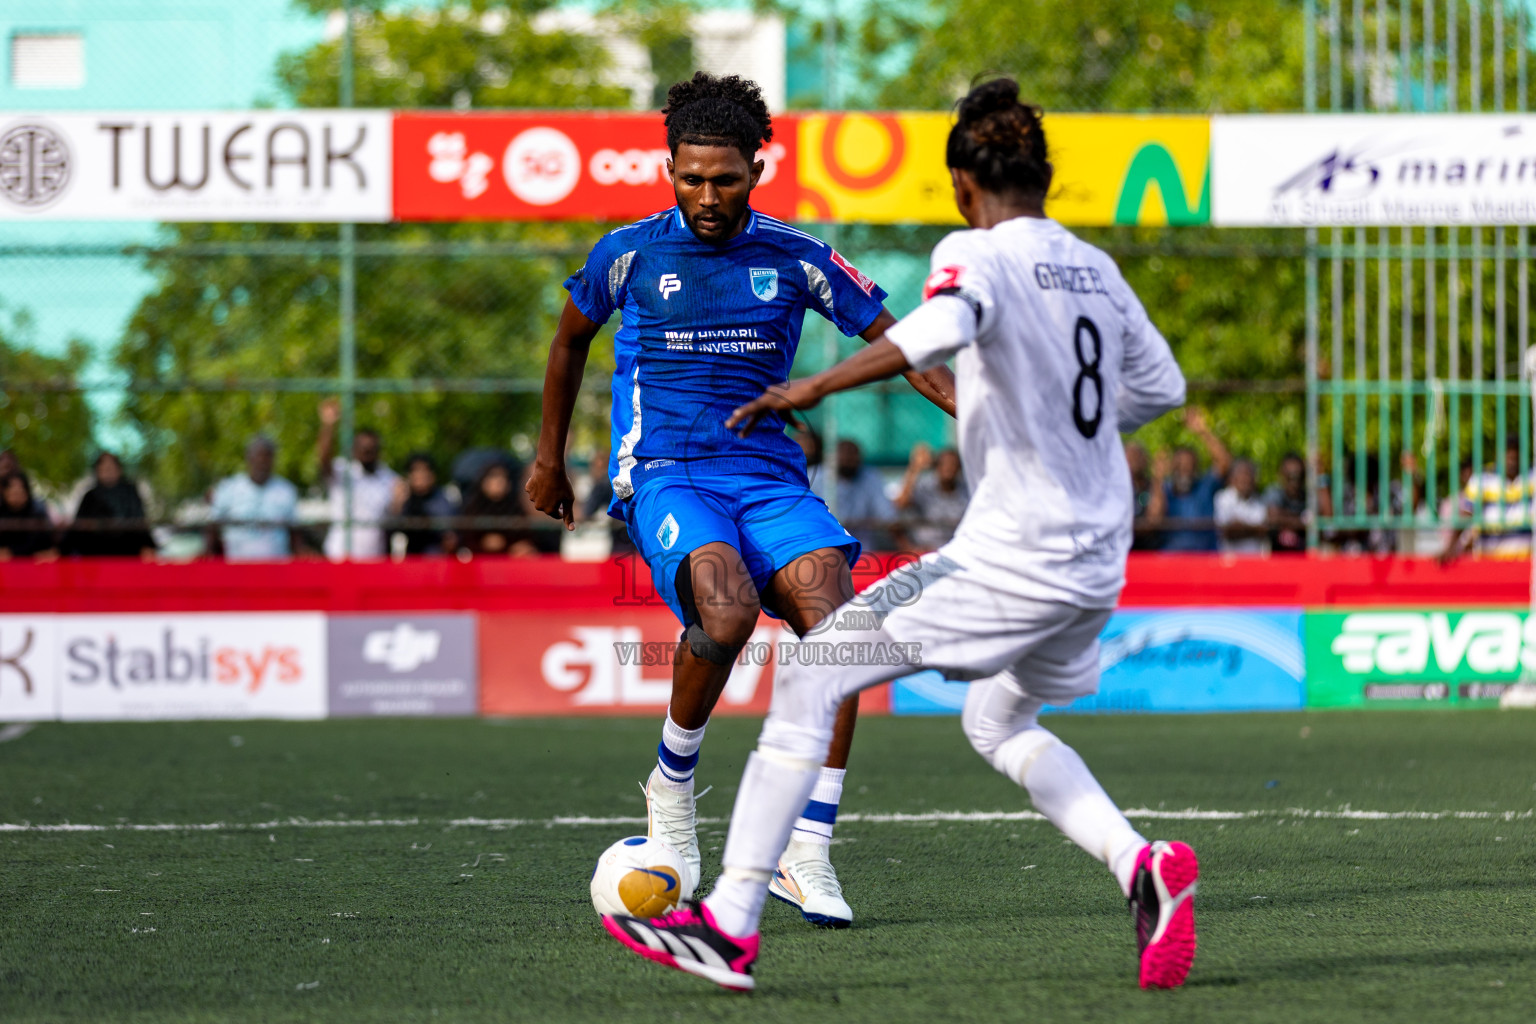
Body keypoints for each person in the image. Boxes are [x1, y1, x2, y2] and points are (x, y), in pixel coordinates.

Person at [602, 78, 1197, 992]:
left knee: (816, 666)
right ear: (1046, 177)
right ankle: (1139, 863)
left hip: (1015, 557)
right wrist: (1051, 420)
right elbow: (1161, 390)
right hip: (1097, 566)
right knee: (999, 721)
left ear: (964, 184)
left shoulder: (974, 250)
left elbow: (936, 329)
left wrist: (815, 387)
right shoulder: (1094, 268)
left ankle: (729, 923)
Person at [526, 72, 956, 928]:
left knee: (843, 635)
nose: (707, 196)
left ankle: (808, 851)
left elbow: (899, 342)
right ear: (669, 170)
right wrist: (548, 460)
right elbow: (570, 341)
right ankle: (672, 794)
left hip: (767, 477)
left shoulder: (797, 257)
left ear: (757, 170)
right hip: (667, 471)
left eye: (725, 179)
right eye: (690, 178)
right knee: (724, 613)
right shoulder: (628, 255)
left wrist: (975, 410)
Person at [316, 398, 398, 561]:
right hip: (340, 556)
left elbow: (394, 515)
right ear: (354, 450)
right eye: (363, 449)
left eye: (371, 449)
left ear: (378, 450)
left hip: (374, 559)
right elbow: (323, 458)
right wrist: (328, 426)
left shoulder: (388, 478)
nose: (367, 453)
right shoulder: (343, 471)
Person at [1145, 408, 1230, 551]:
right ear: (1172, 468)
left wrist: (1203, 432)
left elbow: (1224, 462)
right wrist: (1157, 478)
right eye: (1179, 466)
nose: (1184, 470)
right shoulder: (1164, 489)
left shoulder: (1205, 486)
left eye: (1189, 466)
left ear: (1196, 468)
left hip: (1205, 555)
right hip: (1172, 556)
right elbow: (1154, 519)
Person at [206, 437, 300, 561]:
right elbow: (213, 527)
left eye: (267, 457)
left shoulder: (286, 490)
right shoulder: (229, 489)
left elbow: (294, 534)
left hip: (276, 567)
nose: (262, 462)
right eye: (258, 456)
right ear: (249, 458)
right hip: (237, 567)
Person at [1440, 442, 1533, 562]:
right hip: (1489, 560)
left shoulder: (1532, 476)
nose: (1512, 462)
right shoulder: (1483, 478)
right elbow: (1466, 514)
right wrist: (1450, 547)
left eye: (1515, 457)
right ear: (1497, 456)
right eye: (1509, 457)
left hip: (1526, 560)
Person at [63, 452, 155, 558]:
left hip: (126, 553)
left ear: (119, 470)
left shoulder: (130, 493)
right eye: (104, 467)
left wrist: (147, 545)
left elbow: (139, 521)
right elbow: (78, 527)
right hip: (95, 556)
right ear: (97, 471)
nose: (107, 470)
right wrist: (61, 550)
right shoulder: (90, 496)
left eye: (111, 467)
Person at [893, 443, 969, 551]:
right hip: (924, 550)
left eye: (953, 464)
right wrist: (915, 468)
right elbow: (901, 504)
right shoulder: (924, 486)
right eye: (944, 464)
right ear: (937, 466)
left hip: (955, 549)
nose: (948, 468)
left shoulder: (966, 491)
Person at [833, 439, 896, 551]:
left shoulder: (871, 477)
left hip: (864, 551)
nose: (848, 459)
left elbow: (887, 515)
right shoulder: (817, 477)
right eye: (843, 454)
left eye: (852, 455)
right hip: (826, 548)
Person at [390, 452, 458, 556]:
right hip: (409, 559)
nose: (420, 476)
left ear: (433, 475)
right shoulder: (403, 499)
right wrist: (397, 505)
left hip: (435, 558)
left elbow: (451, 534)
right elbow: (390, 531)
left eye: (424, 470)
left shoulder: (443, 500)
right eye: (416, 471)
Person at [1213, 458, 1268, 556]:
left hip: (1255, 560)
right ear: (1232, 478)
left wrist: (1241, 527)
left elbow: (1264, 531)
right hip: (1230, 561)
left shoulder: (1260, 501)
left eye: (1248, 474)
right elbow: (1228, 532)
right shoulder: (1222, 498)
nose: (1245, 479)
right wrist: (1254, 529)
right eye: (1241, 474)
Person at [0, 471, 58, 560]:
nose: (16, 496)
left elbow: (48, 548)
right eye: (13, 493)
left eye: (20, 492)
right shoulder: (2, 514)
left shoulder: (38, 513)